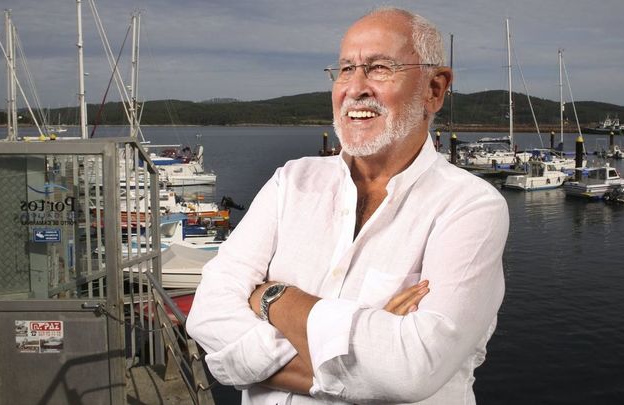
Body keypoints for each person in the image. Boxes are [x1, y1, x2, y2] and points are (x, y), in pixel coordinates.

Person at [186, 7, 508, 404]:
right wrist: (369, 343)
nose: (355, 88)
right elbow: (207, 313)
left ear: (434, 89)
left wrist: (273, 298)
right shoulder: (291, 182)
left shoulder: (470, 206)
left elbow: (412, 369)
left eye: (379, 68)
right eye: (345, 70)